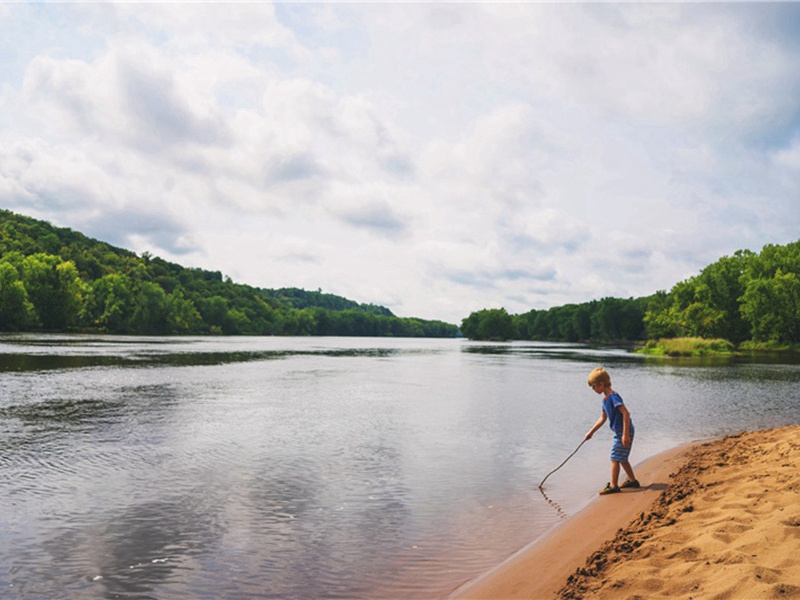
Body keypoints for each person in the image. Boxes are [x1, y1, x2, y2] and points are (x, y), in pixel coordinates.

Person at [584, 367, 639, 495]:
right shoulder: (605, 400)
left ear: (601, 384)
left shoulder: (614, 397)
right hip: (619, 432)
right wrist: (591, 432)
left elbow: (626, 413)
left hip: (624, 431)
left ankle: (614, 485)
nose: (593, 390)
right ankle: (632, 481)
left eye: (593, 387)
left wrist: (625, 435)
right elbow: (603, 418)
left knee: (614, 457)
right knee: (622, 458)